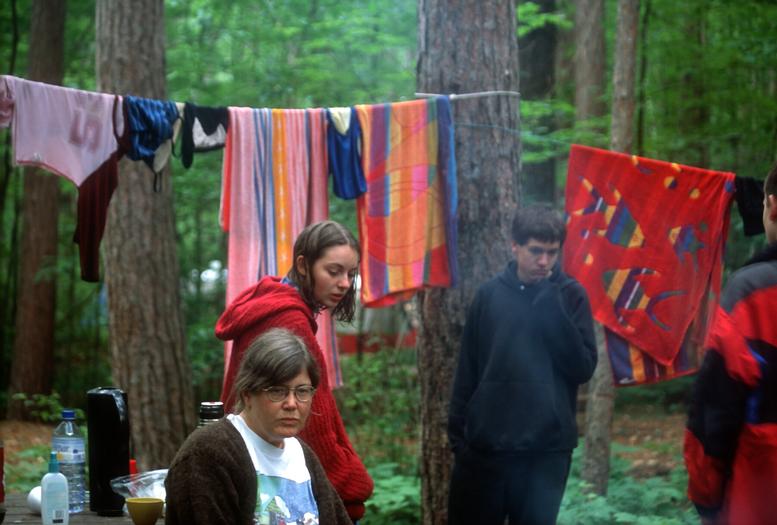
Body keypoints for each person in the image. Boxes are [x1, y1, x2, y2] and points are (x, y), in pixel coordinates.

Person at [447, 204, 597, 525]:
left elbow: (583, 368)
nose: (544, 261)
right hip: (485, 450)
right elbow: (467, 372)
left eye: (552, 253)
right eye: (536, 251)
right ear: (514, 245)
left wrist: (550, 305)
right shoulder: (489, 296)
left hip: (545, 455)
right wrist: (459, 440)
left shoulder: (571, 296)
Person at [215, 220, 373, 522]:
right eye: (334, 271)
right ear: (303, 265)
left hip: (255, 465)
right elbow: (309, 425)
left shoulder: (273, 303)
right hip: (270, 476)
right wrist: (352, 485)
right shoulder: (289, 321)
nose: (344, 283)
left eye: (351, 274)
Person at [165, 328, 352, 524]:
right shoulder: (208, 454)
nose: (291, 403)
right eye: (277, 391)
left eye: (302, 391)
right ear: (247, 394)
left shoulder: (301, 454)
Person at [684, 162, 777, 524]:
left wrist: (706, 498)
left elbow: (714, 411)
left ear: (772, 206)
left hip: (759, 498)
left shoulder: (754, 292)